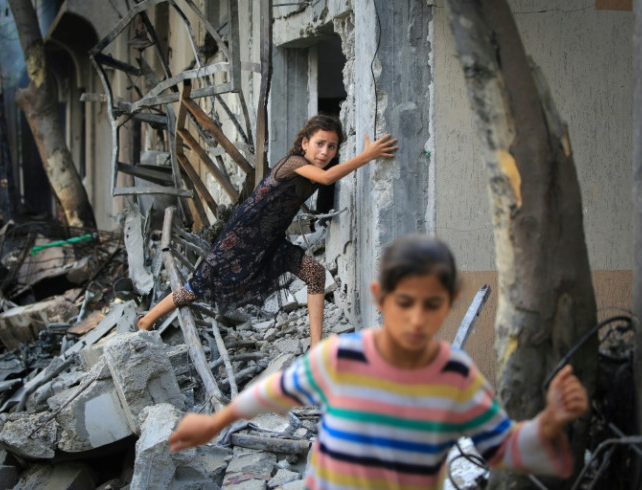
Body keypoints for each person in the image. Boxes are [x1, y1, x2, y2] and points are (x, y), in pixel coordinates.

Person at [168, 234, 589, 489]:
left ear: (450, 303)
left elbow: (502, 447)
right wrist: (216, 422)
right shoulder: (342, 358)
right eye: (405, 303)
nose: (417, 319)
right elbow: (274, 392)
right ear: (380, 297)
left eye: (432, 305)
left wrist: (551, 420)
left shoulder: (456, 378)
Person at [136, 114, 398, 347]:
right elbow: (328, 178)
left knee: (315, 274)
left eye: (331, 147)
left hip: (271, 242)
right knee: (198, 286)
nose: (325, 152)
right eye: (320, 144)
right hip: (241, 237)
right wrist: (367, 156)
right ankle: (146, 321)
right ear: (305, 142)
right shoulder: (294, 163)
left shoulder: (314, 169)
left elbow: (325, 177)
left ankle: (316, 346)